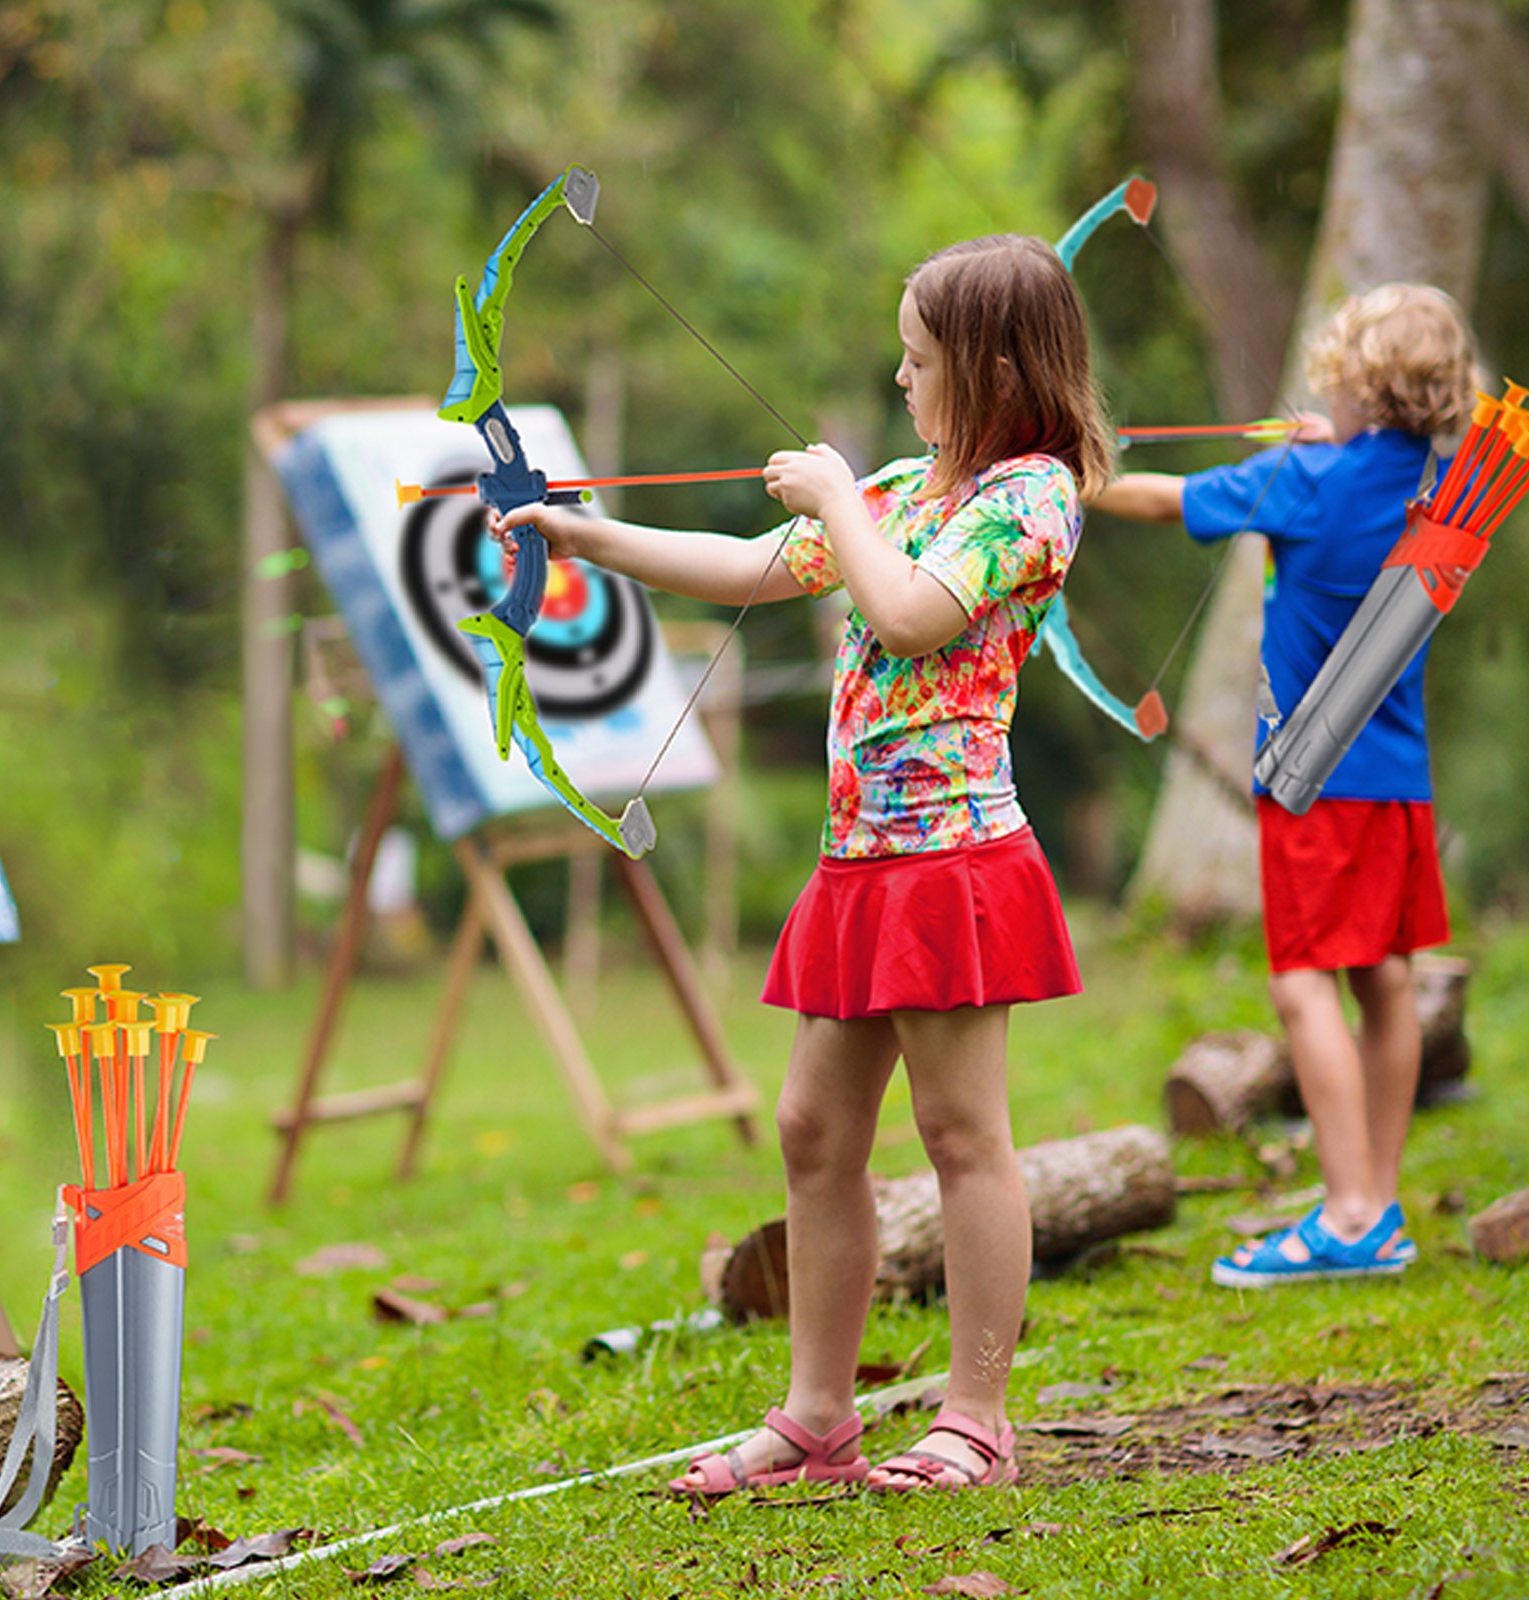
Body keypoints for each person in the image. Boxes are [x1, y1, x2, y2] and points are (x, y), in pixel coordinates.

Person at [488, 233, 1108, 1493]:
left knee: (960, 1132)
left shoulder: (1031, 498)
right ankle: (819, 1415)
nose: (899, 376)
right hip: (859, 862)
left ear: (992, 370)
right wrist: (585, 536)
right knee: (814, 1127)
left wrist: (838, 504)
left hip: (950, 860)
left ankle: (976, 1418)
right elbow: (746, 569)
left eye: (918, 358)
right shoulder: (904, 487)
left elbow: (911, 613)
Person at [1090, 283, 1479, 1288]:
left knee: (1301, 982)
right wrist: (1333, 443)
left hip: (1317, 781)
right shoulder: (1439, 485)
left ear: (1359, 385)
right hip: (1397, 782)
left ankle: (1348, 1214)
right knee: (1383, 980)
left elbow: (1162, 499)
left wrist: (1065, 478)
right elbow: (1361, 485)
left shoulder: (1303, 479)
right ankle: (1375, 1203)